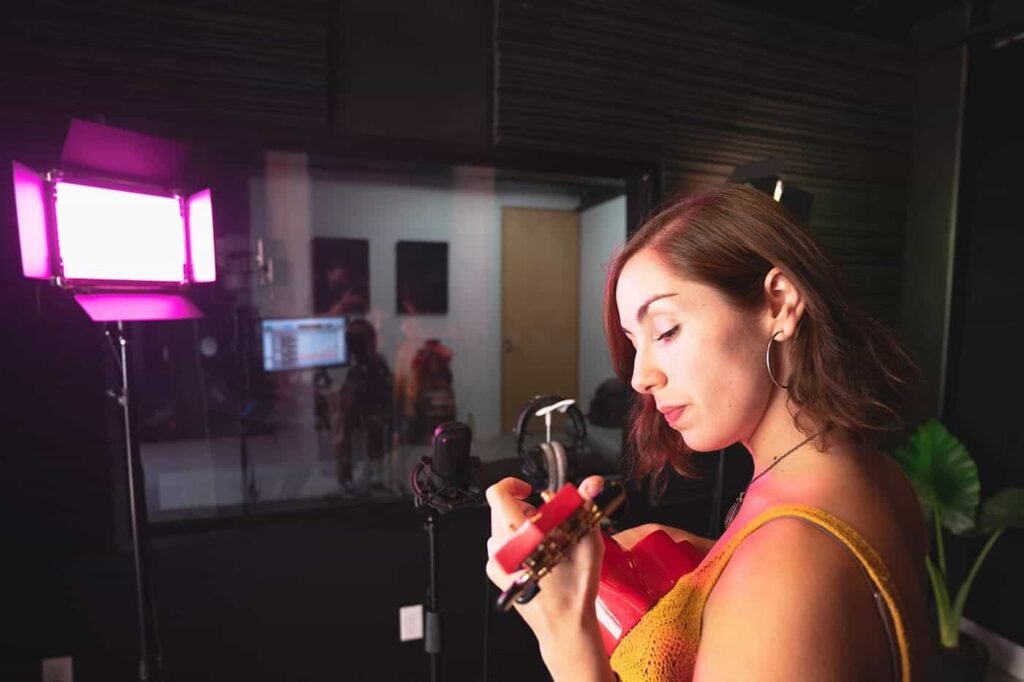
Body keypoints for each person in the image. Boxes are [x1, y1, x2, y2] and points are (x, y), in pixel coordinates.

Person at [485, 184, 928, 681]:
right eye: (635, 343)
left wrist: (565, 634)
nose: (640, 377)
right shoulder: (872, 474)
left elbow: (785, 577)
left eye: (666, 331)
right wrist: (691, 548)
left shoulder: (783, 567)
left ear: (779, 303)